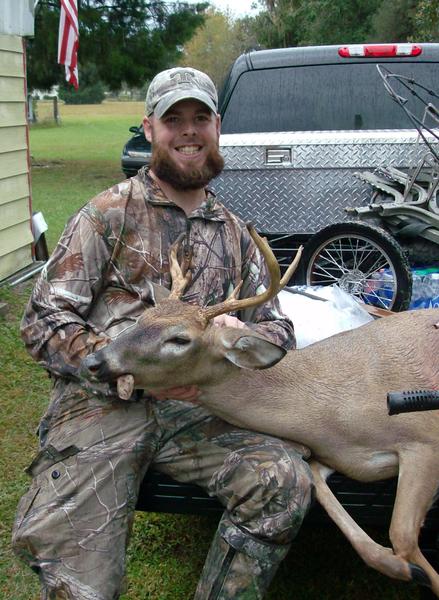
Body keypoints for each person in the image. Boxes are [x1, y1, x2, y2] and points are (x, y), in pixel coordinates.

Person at [12, 67, 313, 600]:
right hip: (101, 404)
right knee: (82, 585)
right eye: (174, 120)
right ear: (149, 129)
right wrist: (126, 369)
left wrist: (245, 330)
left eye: (200, 118)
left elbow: (279, 330)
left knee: (283, 481)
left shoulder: (238, 234)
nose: (189, 131)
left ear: (218, 127)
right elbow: (42, 319)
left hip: (199, 412)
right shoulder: (108, 214)